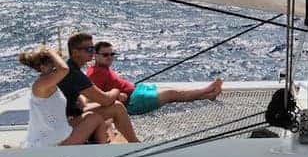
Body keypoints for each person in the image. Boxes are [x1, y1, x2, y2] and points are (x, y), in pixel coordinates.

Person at [87, 41, 222, 116]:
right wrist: (117, 97)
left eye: (112, 54)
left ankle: (208, 95)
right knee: (172, 94)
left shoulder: (102, 68)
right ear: (95, 55)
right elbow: (94, 97)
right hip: (133, 102)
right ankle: (207, 89)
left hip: (137, 92)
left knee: (172, 92)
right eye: (105, 55)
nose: (110, 57)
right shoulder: (95, 74)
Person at [58, 33, 139, 143]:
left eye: (93, 48)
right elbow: (105, 100)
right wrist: (116, 91)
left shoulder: (70, 68)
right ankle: (135, 144)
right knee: (116, 107)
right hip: (65, 121)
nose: (93, 52)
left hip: (70, 114)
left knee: (111, 109)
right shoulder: (74, 73)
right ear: (75, 52)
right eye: (89, 49)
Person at [18, 46, 107, 147]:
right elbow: (64, 69)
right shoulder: (41, 85)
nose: (56, 68)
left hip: (56, 133)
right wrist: (51, 51)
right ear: (43, 67)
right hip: (52, 142)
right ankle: (101, 155)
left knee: (90, 115)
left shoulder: (46, 83)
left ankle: (94, 150)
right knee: (96, 118)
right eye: (53, 65)